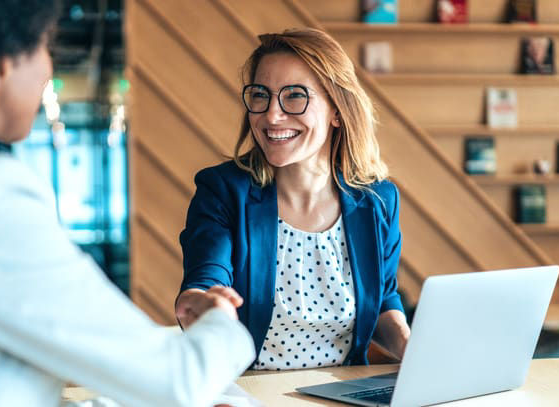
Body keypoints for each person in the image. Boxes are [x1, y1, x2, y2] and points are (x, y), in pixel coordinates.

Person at [0, 1, 254, 406]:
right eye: (44, 46)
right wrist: (222, 321)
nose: (49, 69)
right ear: (2, 59)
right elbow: (180, 380)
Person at [175, 28, 411, 370]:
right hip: (249, 392)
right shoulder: (223, 190)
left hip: (343, 393)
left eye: (295, 96)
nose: (272, 116)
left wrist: (409, 345)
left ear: (337, 110)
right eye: (261, 95)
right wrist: (202, 305)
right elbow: (205, 280)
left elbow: (384, 298)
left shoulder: (378, 200)